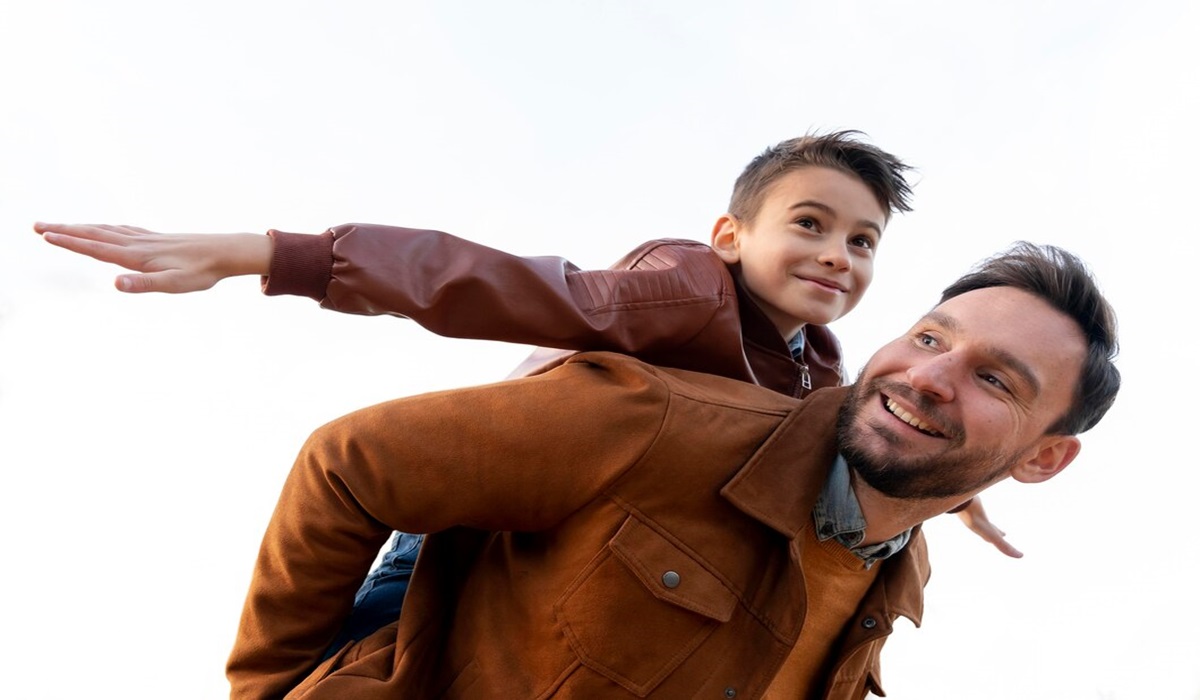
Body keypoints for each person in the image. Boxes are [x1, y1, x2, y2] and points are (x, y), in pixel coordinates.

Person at [34, 131, 1013, 640]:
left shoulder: (820, 371)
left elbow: (856, 443)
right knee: (391, 665)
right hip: (477, 532)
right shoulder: (682, 286)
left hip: (597, 563)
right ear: (732, 237)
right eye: (809, 222)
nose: (837, 253)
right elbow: (510, 285)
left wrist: (949, 491)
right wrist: (274, 254)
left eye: (862, 240)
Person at [225, 242, 1121, 699]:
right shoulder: (659, 420)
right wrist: (273, 690)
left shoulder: (893, 589)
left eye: (994, 379)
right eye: (930, 336)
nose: (927, 377)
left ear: (1044, 458)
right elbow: (349, 463)